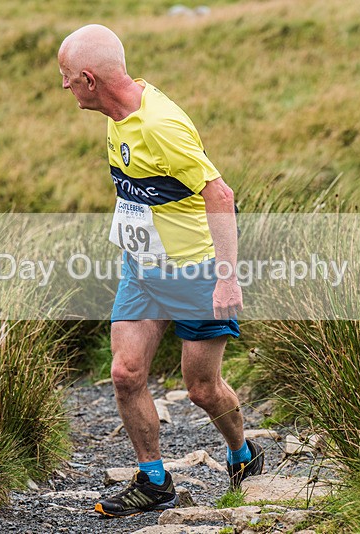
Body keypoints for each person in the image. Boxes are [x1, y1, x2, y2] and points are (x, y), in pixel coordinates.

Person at [58, 24, 263, 518]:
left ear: (89, 78)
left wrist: (227, 276)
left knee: (201, 389)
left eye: (66, 77)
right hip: (142, 271)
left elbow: (221, 195)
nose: (63, 87)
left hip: (195, 272)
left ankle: (242, 452)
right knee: (126, 374)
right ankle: (154, 481)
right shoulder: (116, 114)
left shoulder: (160, 126)